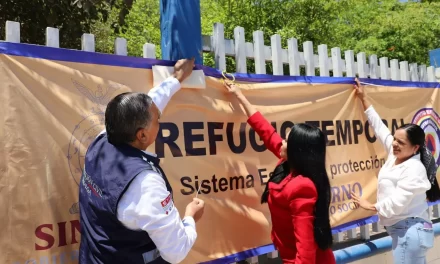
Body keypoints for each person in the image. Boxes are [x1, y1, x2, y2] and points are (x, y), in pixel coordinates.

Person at [78, 58, 205, 264]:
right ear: (142, 135)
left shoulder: (102, 140)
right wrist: (191, 217)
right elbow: (176, 251)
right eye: (158, 120)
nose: (159, 121)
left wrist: (176, 78)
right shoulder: (145, 183)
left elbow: (148, 103)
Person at [223, 82, 335, 264]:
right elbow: (266, 132)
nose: (281, 141)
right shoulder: (288, 163)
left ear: (297, 151)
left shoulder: (302, 187)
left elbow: (306, 254)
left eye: (286, 141)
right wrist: (239, 95)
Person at [351, 78, 440, 264]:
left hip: (409, 232)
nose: (394, 144)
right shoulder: (395, 155)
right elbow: (380, 128)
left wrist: (372, 206)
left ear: (415, 148)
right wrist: (364, 98)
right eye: (395, 139)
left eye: (401, 142)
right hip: (406, 231)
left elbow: (398, 202)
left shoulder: (414, 168)